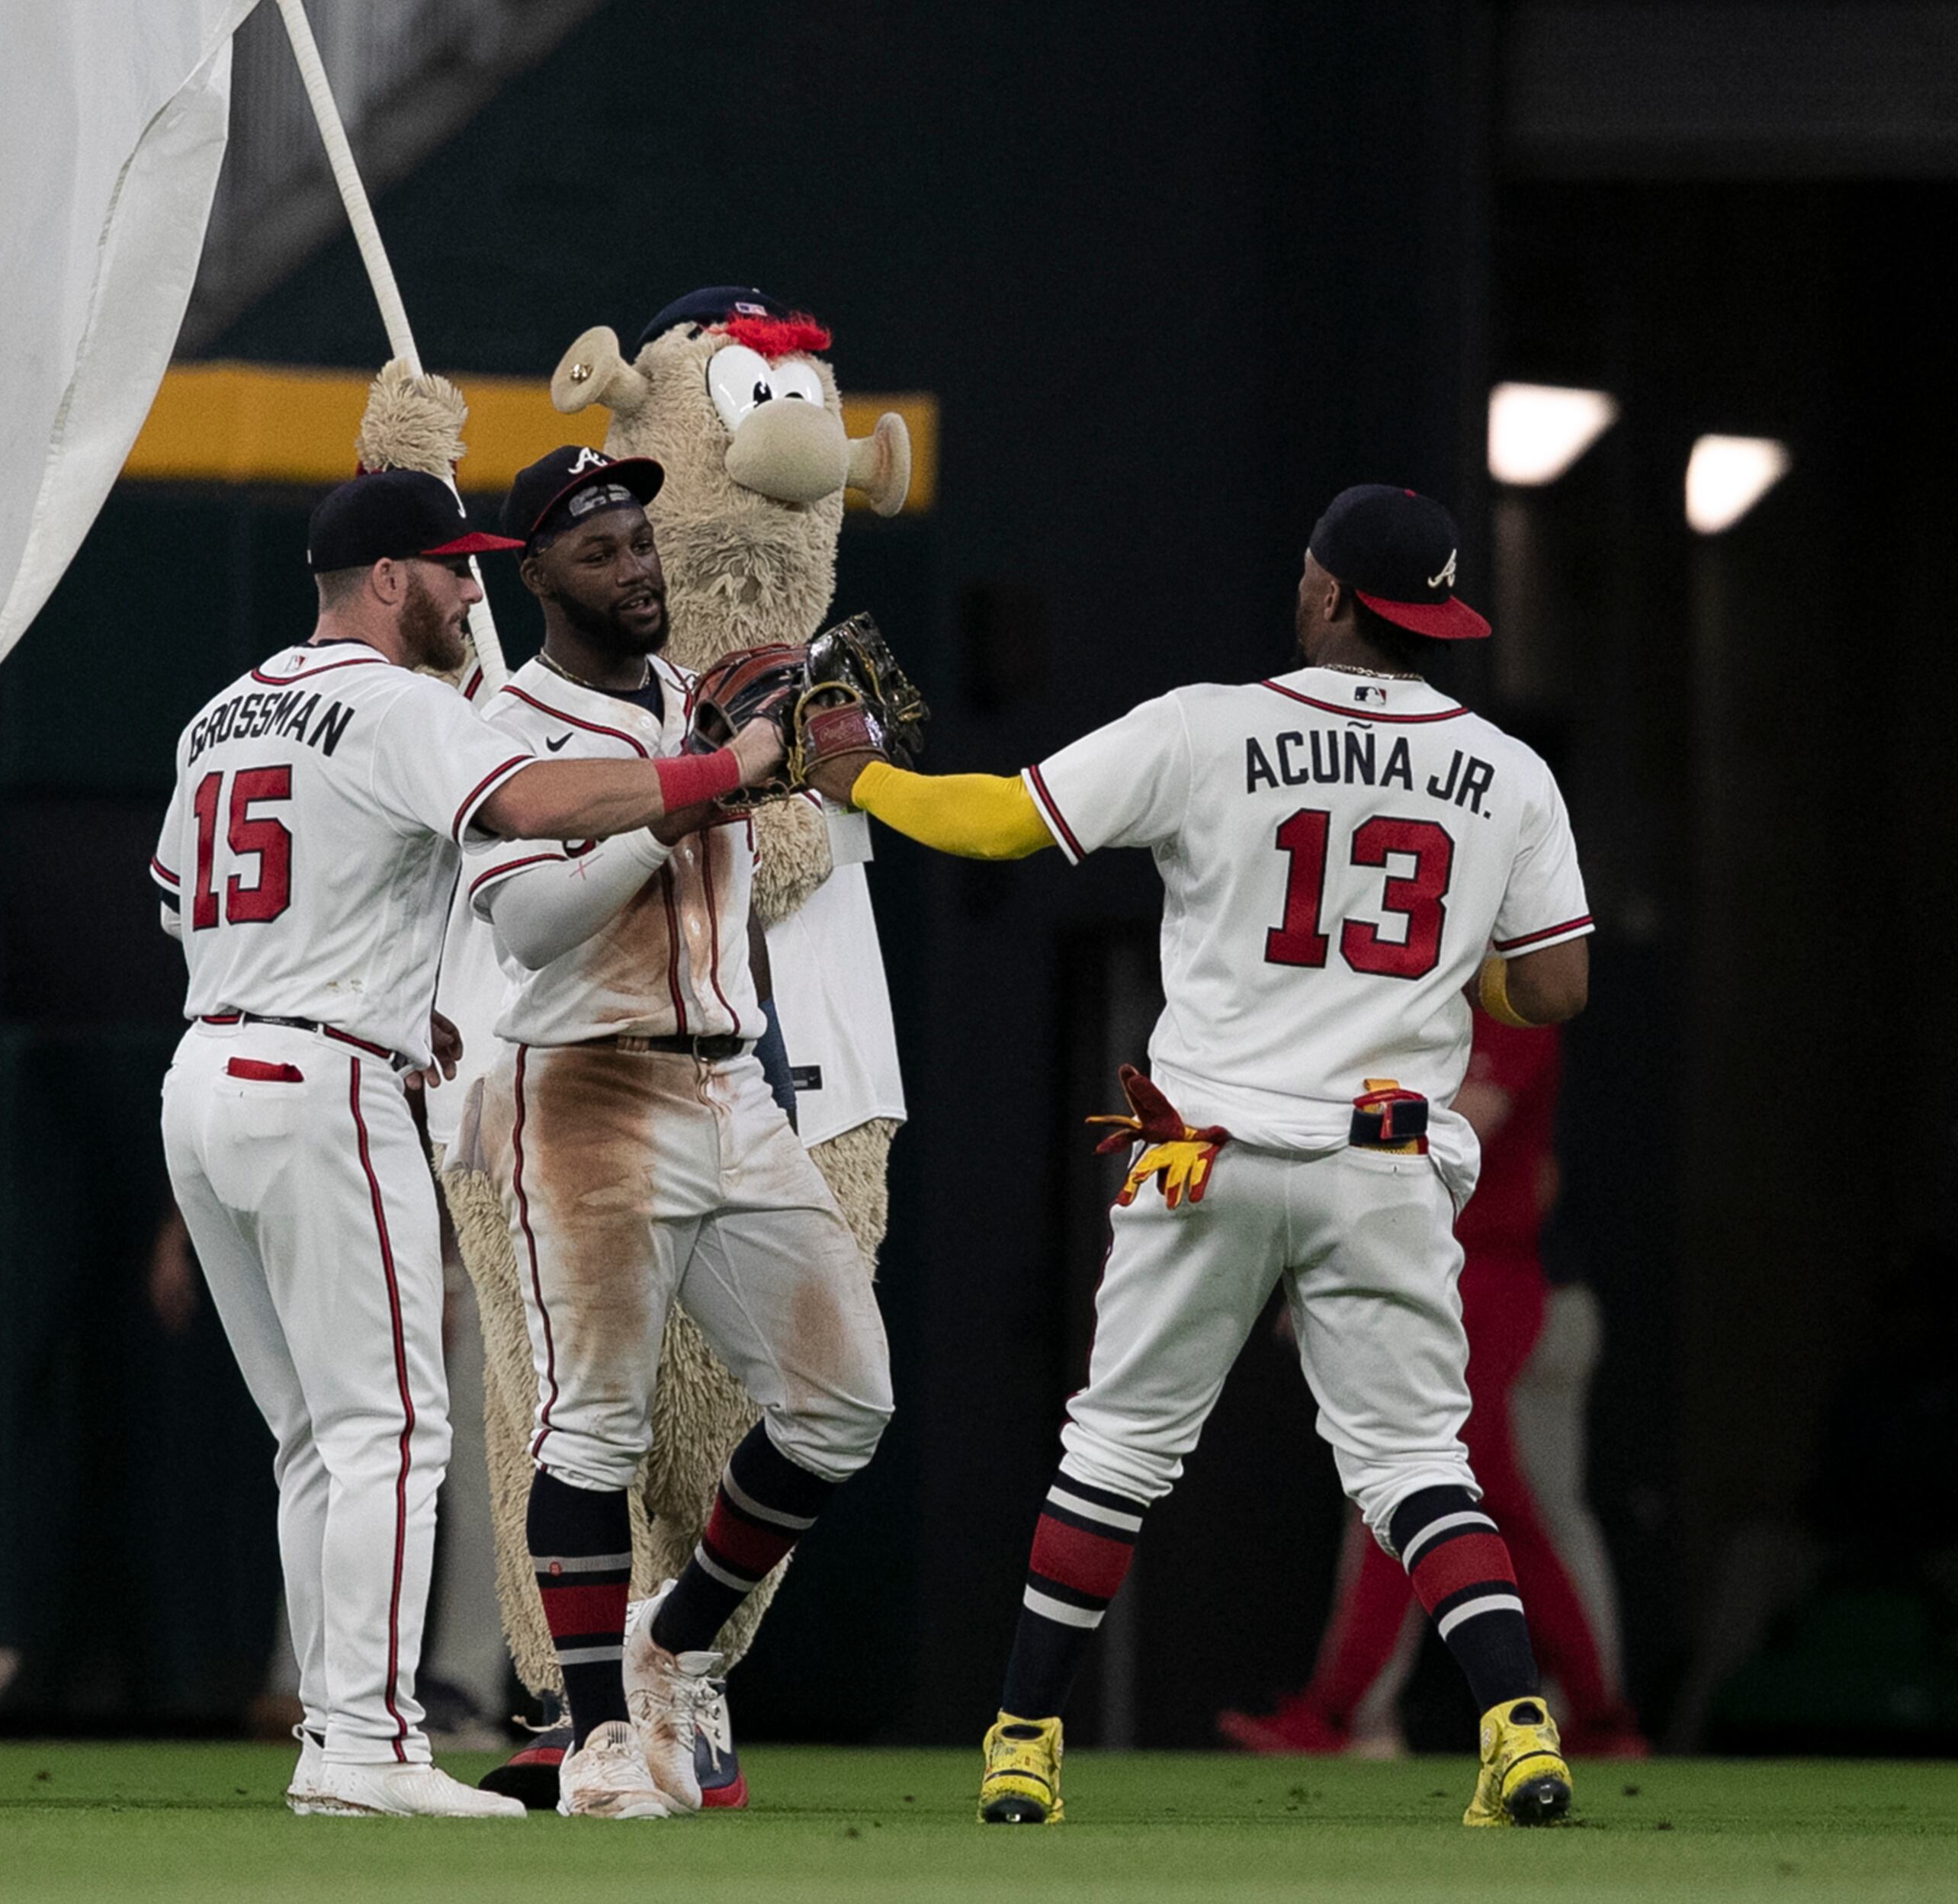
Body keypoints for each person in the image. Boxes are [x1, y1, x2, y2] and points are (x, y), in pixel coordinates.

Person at [823, 483, 1594, 1829]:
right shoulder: (1509, 772)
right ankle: (1519, 1729)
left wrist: (859, 777)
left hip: (1203, 1145)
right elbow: (1558, 989)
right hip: (1384, 1150)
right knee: (1420, 1465)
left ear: (1333, 596)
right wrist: (1421, 978)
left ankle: (1020, 1743)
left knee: (1113, 1451)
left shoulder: (1210, 724)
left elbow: (1002, 821)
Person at [152, 467, 784, 1819]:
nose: (468, 589)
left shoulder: (221, 709)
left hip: (206, 1067)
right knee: (388, 1427)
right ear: (385, 582)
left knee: (315, 1439)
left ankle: (336, 1738)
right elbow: (538, 810)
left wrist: (380, 998)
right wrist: (719, 770)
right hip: (317, 1080)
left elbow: (178, 898)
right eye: (450, 568)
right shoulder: (396, 702)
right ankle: (372, 1749)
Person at [459, 446, 894, 1818]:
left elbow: (752, 851)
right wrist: (702, 787)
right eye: (599, 553)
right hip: (586, 1085)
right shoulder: (507, 724)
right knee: (590, 1427)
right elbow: (524, 925)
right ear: (536, 575)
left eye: (641, 542)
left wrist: (804, 777)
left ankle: (676, 1639)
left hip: (732, 1079)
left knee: (844, 1403)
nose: (637, 570)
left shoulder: (694, 701)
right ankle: (594, 1737)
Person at [1218, 1009, 1642, 1758]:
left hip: (1483, 1280)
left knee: (1449, 1496)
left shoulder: (1513, 1002)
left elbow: (1454, 1129)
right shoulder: (1416, 1008)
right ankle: (1589, 1715)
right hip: (1428, 1270)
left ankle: (1351, 1715)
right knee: (1443, 1497)